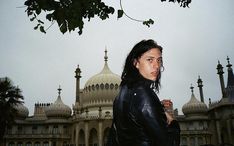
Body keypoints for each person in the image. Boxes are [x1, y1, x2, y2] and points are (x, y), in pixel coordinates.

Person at [107, 39, 180, 146]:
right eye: (150, 60)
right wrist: (173, 123)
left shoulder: (123, 92)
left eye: (159, 60)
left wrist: (157, 107)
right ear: (136, 63)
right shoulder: (144, 95)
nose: (156, 66)